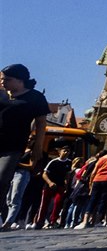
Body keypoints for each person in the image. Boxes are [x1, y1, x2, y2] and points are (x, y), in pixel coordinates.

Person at [0, 64, 50, 231]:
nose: (3, 82)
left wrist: (37, 146)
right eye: (2, 79)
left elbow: (41, 123)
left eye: (7, 79)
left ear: (20, 81)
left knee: (1, 180)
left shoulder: (35, 98)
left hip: (13, 146)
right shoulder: (1, 94)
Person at [34, 146, 72, 229]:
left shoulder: (69, 163)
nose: (66, 152)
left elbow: (67, 175)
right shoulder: (53, 162)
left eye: (68, 151)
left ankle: (53, 221)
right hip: (49, 185)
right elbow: (44, 174)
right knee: (44, 204)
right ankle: (40, 221)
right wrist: (50, 182)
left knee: (58, 202)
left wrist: (66, 186)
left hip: (60, 186)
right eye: (65, 151)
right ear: (60, 152)